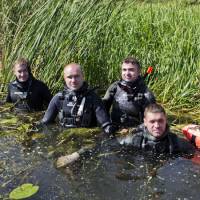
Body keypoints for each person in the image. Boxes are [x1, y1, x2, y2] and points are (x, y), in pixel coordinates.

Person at [56, 103, 194, 168]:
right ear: (145, 122)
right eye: (152, 122)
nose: (157, 126)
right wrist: (76, 155)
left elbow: (195, 156)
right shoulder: (134, 139)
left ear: (166, 121)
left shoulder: (178, 143)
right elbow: (104, 146)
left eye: (160, 121)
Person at [41, 63, 115, 134]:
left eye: (76, 76)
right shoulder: (58, 98)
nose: (73, 80)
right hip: (65, 139)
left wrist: (110, 132)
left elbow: (105, 124)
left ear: (83, 77)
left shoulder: (93, 98)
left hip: (87, 140)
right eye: (69, 77)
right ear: (64, 78)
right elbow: (45, 123)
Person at [103, 57, 156, 128]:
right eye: (124, 70)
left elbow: (152, 121)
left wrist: (137, 131)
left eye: (131, 70)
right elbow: (103, 110)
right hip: (114, 128)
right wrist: (106, 125)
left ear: (139, 72)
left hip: (135, 131)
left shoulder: (146, 94)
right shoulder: (114, 87)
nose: (127, 73)